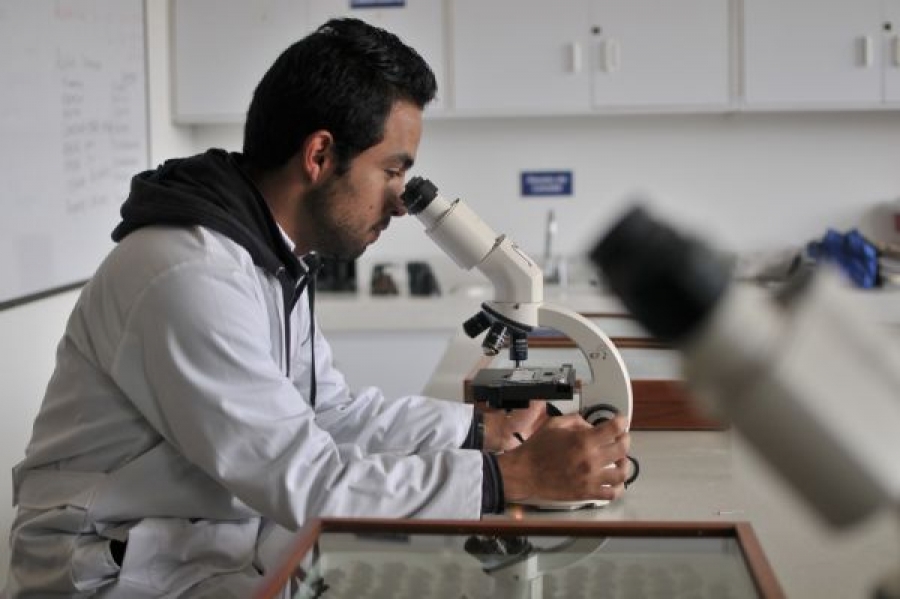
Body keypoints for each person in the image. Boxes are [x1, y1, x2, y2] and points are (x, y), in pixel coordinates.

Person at [3, 18, 630, 598]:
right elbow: (308, 480)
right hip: (113, 577)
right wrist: (508, 478)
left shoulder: (267, 257)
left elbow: (328, 413)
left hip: (200, 549)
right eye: (392, 170)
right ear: (320, 155)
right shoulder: (188, 276)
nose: (402, 201)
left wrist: (478, 432)